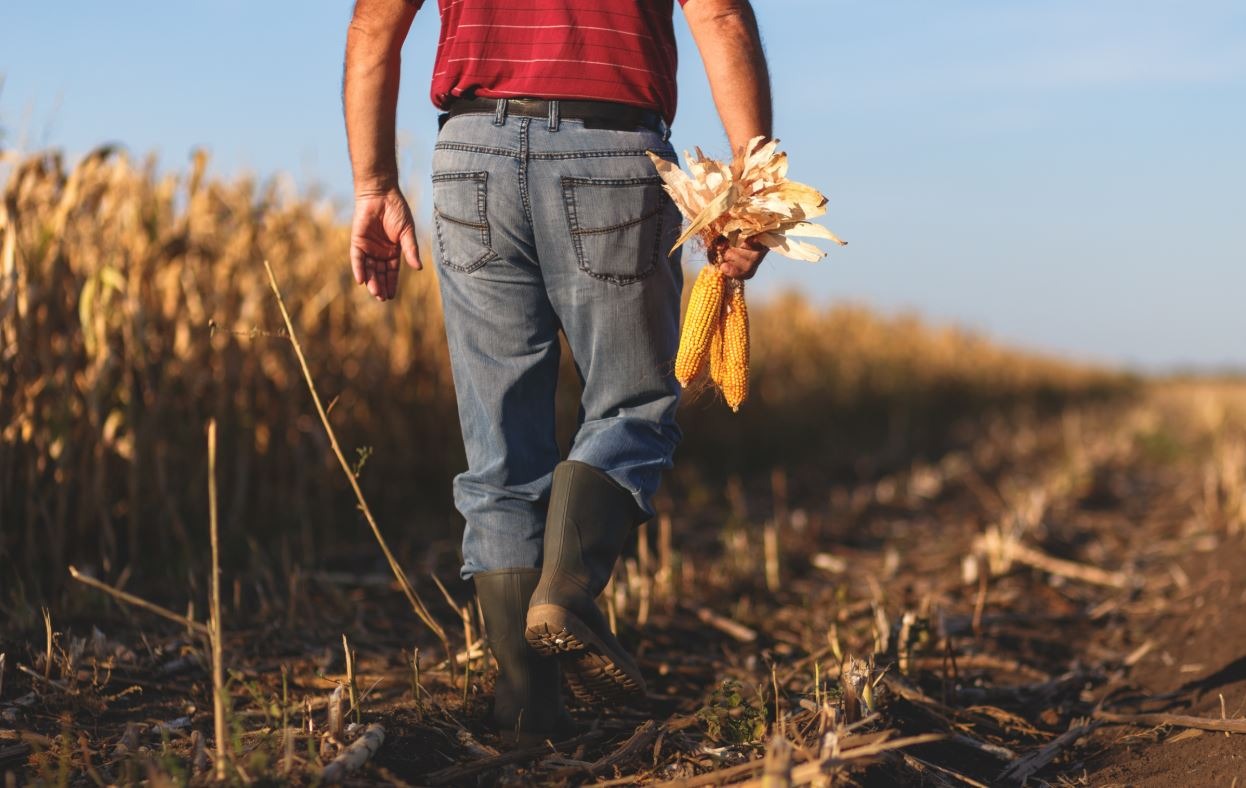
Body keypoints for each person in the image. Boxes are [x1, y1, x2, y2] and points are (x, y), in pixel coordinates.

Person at [343, 0, 772, 742]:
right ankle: (568, 589)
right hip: (609, 150)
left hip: (470, 155)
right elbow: (721, 17)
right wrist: (751, 186)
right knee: (633, 404)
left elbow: (372, 26)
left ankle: (525, 709)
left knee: (500, 447)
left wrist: (374, 184)